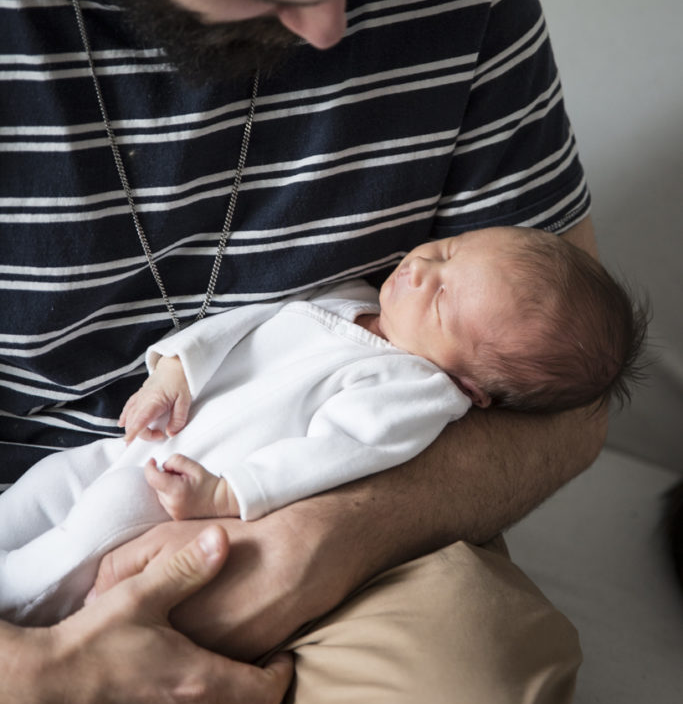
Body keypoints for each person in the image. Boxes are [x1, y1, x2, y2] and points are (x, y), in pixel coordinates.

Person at [0, 0, 612, 704]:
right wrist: (26, 683)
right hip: (37, 526)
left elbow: (566, 394)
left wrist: (322, 537)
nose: (331, 30)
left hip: (366, 514)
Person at [0, 226, 646, 628]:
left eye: (443, 299)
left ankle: (18, 604)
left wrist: (225, 495)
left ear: (473, 386)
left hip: (173, 491)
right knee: (47, 483)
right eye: (446, 252)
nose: (420, 270)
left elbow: (331, 457)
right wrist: (173, 372)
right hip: (138, 444)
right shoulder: (355, 302)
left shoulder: (413, 392)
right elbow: (246, 328)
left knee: (89, 530)